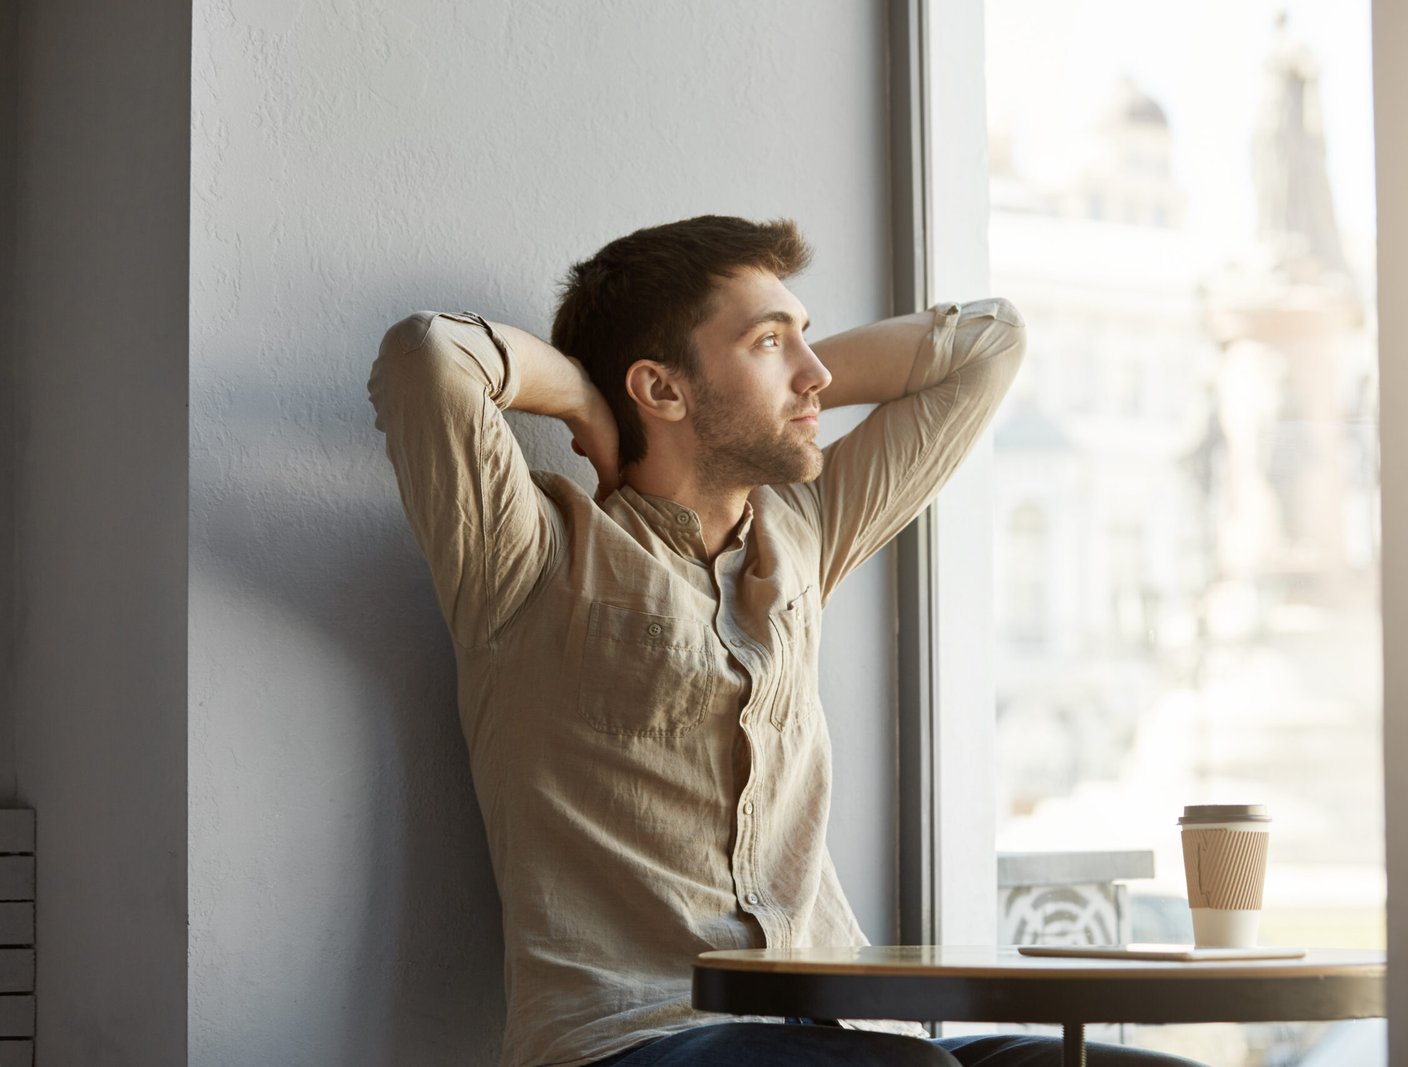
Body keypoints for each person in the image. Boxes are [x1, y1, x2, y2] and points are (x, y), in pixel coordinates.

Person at [369, 216, 1203, 1067]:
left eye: (802, 337)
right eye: (772, 342)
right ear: (660, 388)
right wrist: (586, 398)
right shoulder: (532, 555)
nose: (819, 373)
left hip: (847, 1028)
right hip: (637, 1037)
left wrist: (781, 390)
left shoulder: (802, 532)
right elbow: (429, 357)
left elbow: (989, 343)